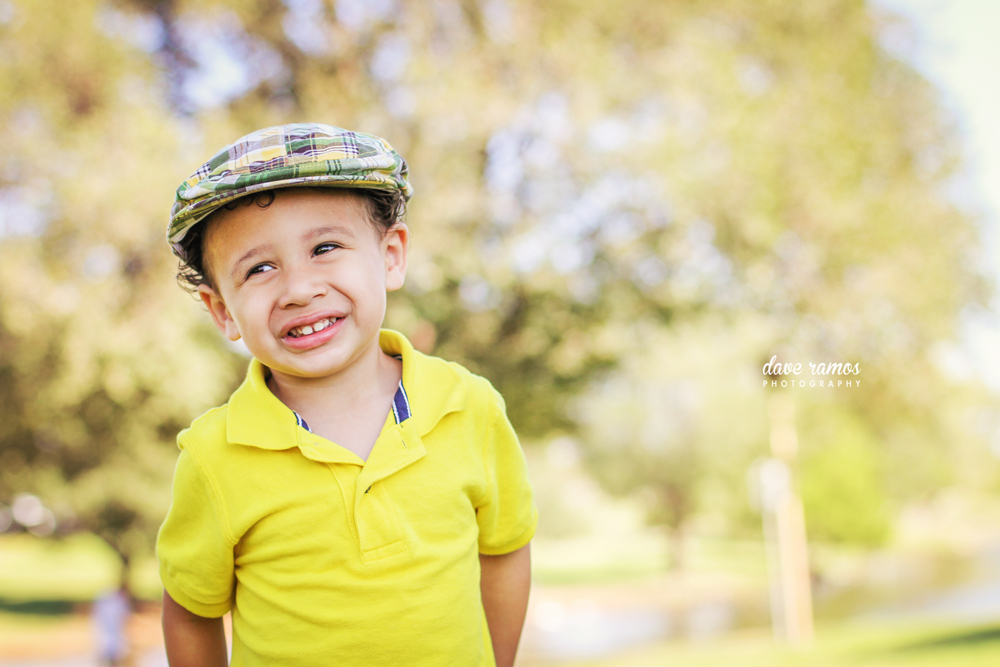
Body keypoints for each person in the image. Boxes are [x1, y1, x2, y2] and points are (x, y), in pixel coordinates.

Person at [156, 123, 537, 667]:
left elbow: (504, 549)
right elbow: (191, 610)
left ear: (390, 256)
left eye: (325, 247)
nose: (299, 289)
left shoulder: (468, 406)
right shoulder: (214, 456)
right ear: (222, 311)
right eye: (260, 268)